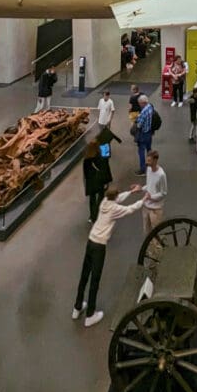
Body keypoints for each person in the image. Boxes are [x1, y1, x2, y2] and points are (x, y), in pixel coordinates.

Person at [73, 184, 144, 328]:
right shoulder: (114, 209)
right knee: (95, 280)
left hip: (91, 240)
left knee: (85, 275)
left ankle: (77, 307)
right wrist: (144, 199)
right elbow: (129, 209)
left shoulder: (104, 202)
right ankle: (90, 315)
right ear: (115, 197)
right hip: (100, 246)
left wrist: (131, 191)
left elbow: (118, 198)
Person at [83, 125, 119, 222]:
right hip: (100, 180)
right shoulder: (102, 152)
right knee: (101, 195)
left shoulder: (87, 158)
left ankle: (92, 216)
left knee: (92, 198)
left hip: (91, 181)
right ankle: (99, 213)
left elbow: (85, 172)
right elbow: (106, 163)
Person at [142, 149, 167, 235]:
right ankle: (149, 249)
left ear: (155, 160)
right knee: (147, 233)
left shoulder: (161, 175)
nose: (146, 162)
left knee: (156, 234)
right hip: (146, 206)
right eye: (147, 160)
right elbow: (149, 185)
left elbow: (163, 192)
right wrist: (141, 188)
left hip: (155, 209)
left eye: (149, 160)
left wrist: (151, 197)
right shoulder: (148, 169)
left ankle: (158, 248)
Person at [134, 95, 154, 175]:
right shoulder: (150, 107)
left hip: (143, 134)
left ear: (143, 103)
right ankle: (151, 164)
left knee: (141, 151)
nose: (139, 105)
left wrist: (137, 119)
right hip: (149, 132)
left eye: (140, 103)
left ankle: (143, 169)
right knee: (149, 150)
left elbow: (139, 125)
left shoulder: (143, 111)